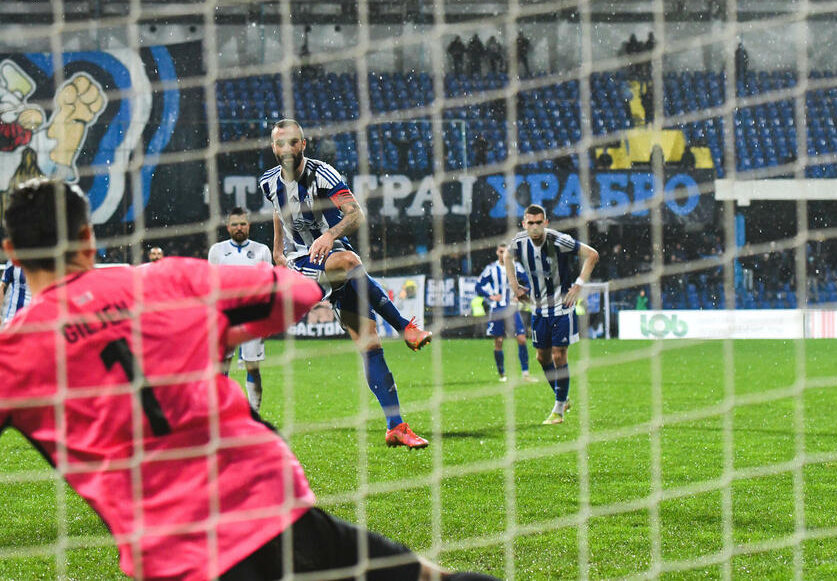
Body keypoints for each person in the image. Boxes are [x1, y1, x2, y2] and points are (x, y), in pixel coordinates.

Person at [0, 177, 497, 581]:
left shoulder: (13, 354)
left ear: (12, 253)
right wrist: (218, 328)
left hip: (178, 555)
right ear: (88, 238)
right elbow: (295, 295)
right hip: (273, 503)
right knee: (431, 577)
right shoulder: (163, 281)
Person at [259, 119, 431, 448]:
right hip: (301, 263)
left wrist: (328, 233)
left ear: (303, 145)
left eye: (292, 143)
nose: (286, 149)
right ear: (273, 148)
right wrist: (277, 250)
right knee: (350, 262)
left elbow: (356, 215)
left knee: (370, 346)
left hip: (331, 258)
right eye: (280, 144)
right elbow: (277, 212)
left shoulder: (324, 174)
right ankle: (405, 328)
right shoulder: (269, 182)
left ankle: (395, 425)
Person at [504, 204, 599, 424]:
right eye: (531, 223)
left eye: (539, 223)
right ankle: (563, 398)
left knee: (558, 355)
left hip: (561, 307)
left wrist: (578, 285)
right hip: (537, 308)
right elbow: (507, 256)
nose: (535, 228)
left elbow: (592, 255)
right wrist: (514, 285)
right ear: (524, 224)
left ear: (546, 223)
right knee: (542, 357)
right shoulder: (519, 242)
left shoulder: (559, 240)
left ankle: (558, 411)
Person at [208, 206, 273, 411]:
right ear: (228, 227)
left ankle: (254, 413)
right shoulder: (217, 251)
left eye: (242, 224)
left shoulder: (262, 250)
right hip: (225, 316)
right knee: (221, 367)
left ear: (249, 226)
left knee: (253, 367)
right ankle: (222, 412)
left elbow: (269, 286)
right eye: (234, 224)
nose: (239, 228)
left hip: (253, 316)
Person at [475, 244, 538, 383]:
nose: (503, 254)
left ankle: (526, 374)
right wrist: (490, 295)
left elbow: (529, 282)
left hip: (512, 308)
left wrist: (520, 294)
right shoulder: (491, 269)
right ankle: (502, 374)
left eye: (506, 251)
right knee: (498, 341)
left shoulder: (516, 266)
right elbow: (478, 286)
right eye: (501, 251)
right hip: (497, 309)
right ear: (497, 252)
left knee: (521, 339)